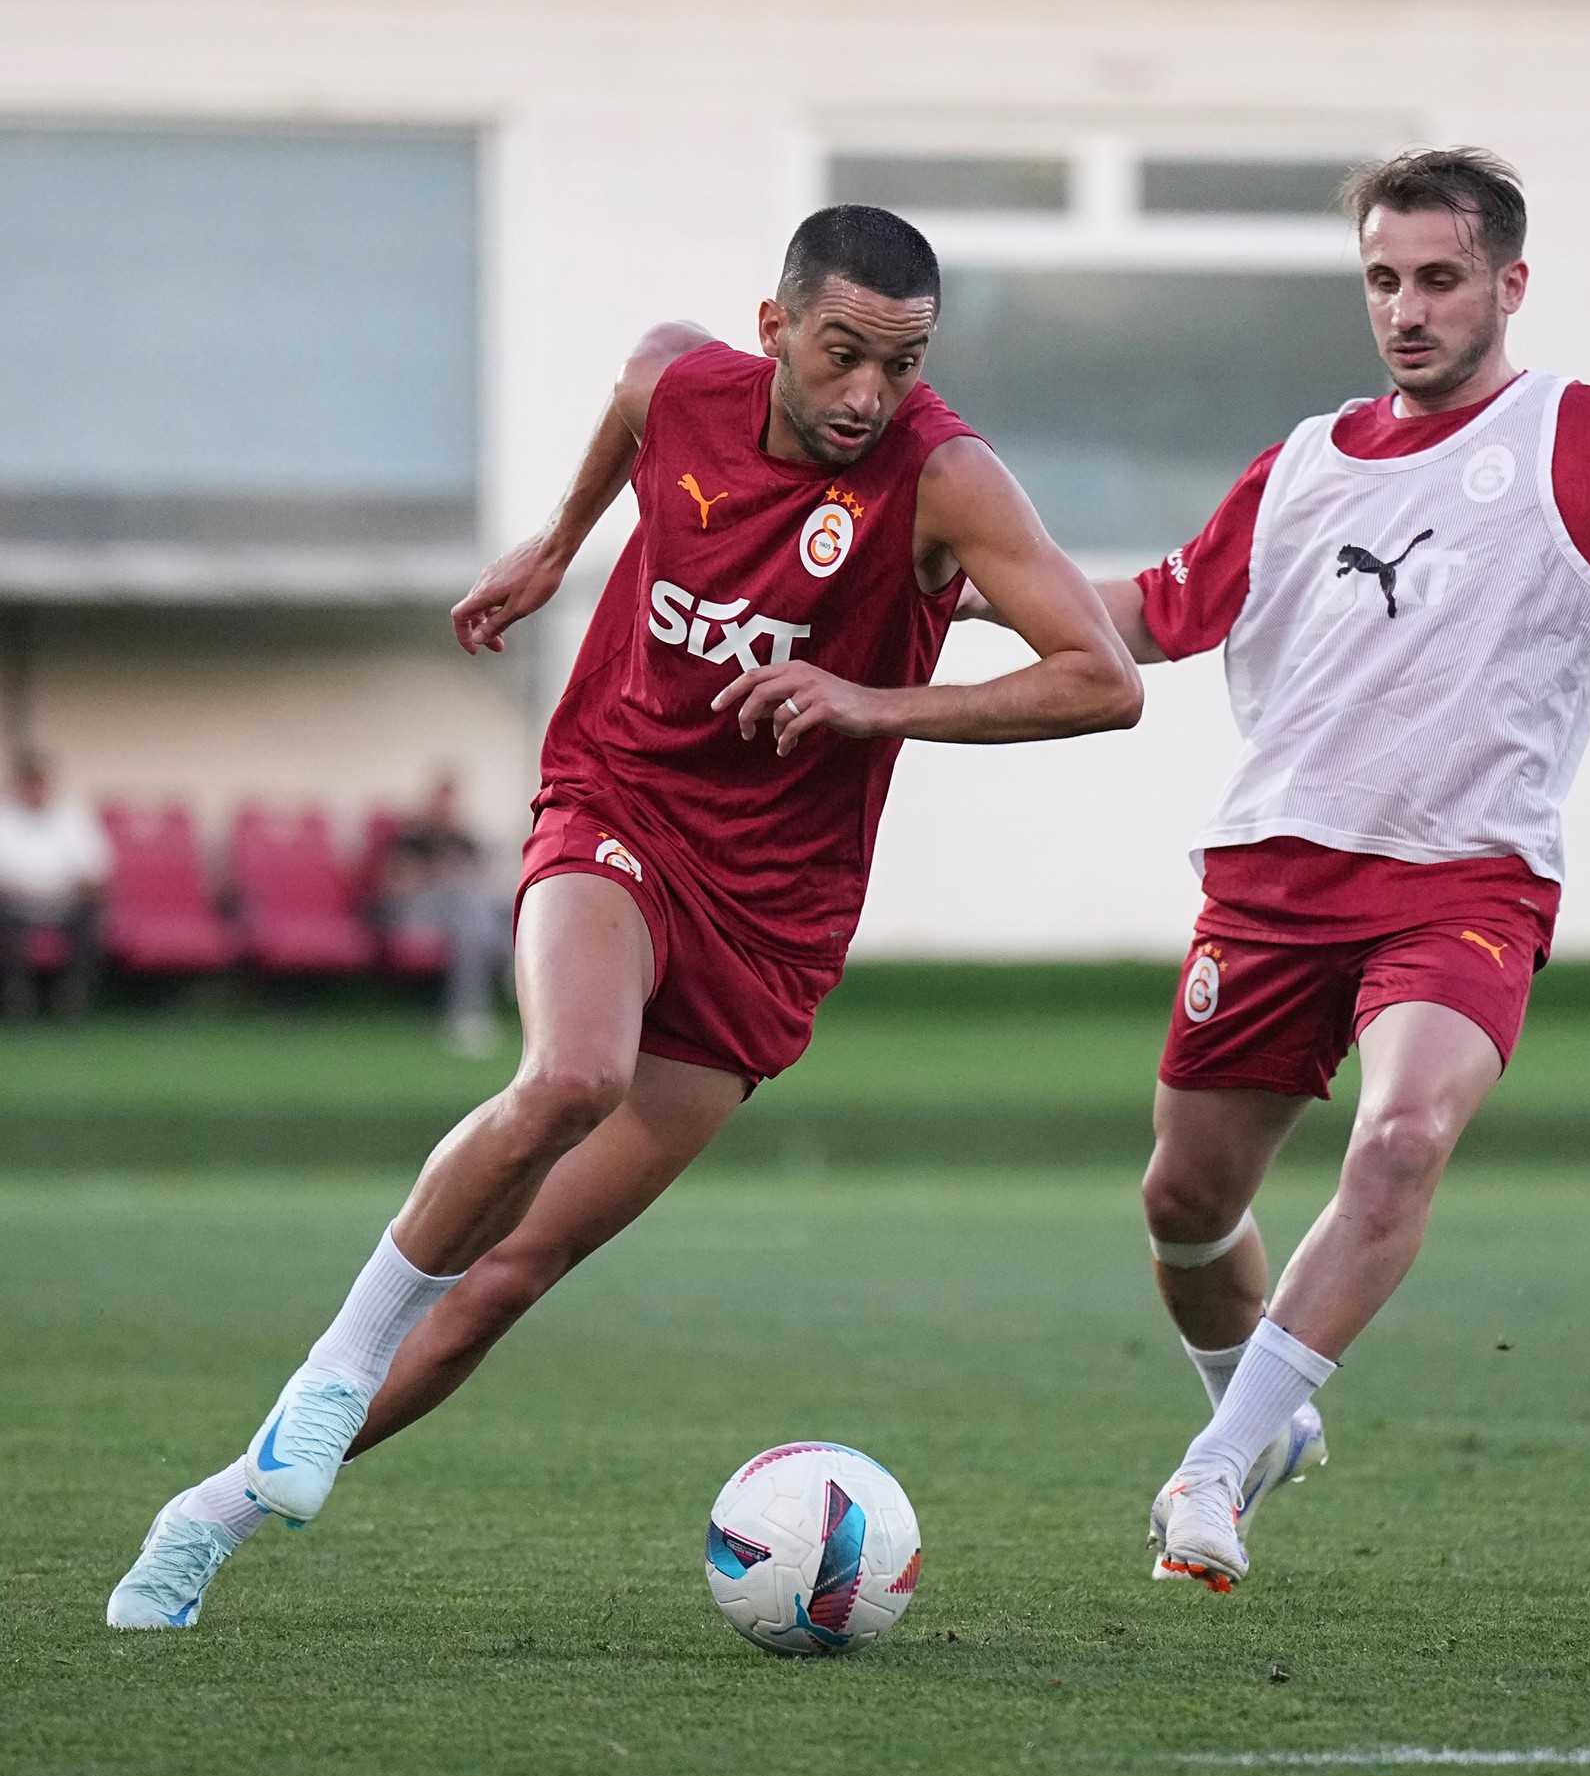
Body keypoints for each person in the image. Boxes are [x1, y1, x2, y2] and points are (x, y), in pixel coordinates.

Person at [107, 204, 1143, 1629]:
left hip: (775, 912)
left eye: (898, 367)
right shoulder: (685, 384)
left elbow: (1100, 677)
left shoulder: (943, 480)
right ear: (773, 325)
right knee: (570, 1075)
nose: (865, 397)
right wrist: (553, 547)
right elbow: (634, 394)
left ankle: (210, 1514)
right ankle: (330, 1372)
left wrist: (873, 702)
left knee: (510, 1273)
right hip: (619, 799)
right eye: (839, 354)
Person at [967, 147, 1590, 1592]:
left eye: (1436, 278)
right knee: (1182, 1200)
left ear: (1507, 282)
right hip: (1272, 879)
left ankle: (1214, 1471)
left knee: (1403, 1135)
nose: (1405, 308)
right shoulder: (1299, 465)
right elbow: (1152, 614)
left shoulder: (1585, 439)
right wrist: (971, 583)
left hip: (1464, 881)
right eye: (1381, 280)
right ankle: (1254, 1414)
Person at [378, 772, 510, 1058]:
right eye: (442, 800)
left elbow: (484, 876)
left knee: (504, 911)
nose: (448, 808)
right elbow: (395, 886)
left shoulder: (464, 839)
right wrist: (438, 875)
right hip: (419, 913)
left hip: (465, 912)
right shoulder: (412, 836)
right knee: (470, 916)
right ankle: (466, 1012)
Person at [0, 750, 111, 1023]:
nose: (34, 789)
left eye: (39, 781)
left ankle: (71, 997)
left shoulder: (73, 816)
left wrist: (74, 889)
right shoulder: (4, 816)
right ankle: (17, 998)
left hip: (66, 902)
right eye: (28, 782)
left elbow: (96, 869)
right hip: (14, 902)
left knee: (93, 915)